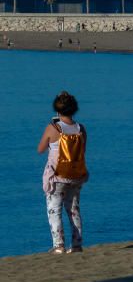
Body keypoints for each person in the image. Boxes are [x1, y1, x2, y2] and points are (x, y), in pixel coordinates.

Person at [38, 91, 88, 254]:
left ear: (57, 110)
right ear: (74, 109)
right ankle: (77, 245)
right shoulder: (81, 129)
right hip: (76, 175)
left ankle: (59, 245)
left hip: (57, 175)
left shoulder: (53, 128)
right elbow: (83, 151)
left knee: (54, 210)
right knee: (74, 210)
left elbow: (40, 149)